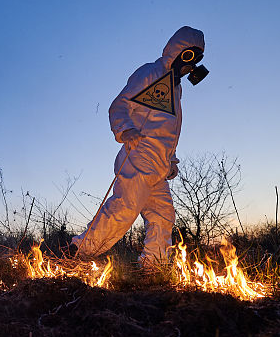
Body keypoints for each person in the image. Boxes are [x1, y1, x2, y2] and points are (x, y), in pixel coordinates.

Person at [73, 26, 207, 267]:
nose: (191, 67)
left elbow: (169, 130)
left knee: (163, 216)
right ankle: (78, 251)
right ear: (179, 53)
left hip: (159, 165)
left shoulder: (176, 88)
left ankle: (153, 265)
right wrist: (125, 129)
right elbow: (119, 105)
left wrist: (171, 160)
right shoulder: (150, 72)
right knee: (124, 209)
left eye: (196, 60)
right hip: (139, 155)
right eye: (189, 57)